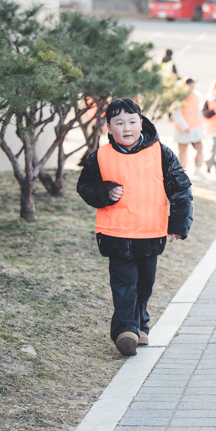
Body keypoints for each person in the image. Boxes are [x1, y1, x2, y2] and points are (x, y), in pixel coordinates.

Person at [77, 98, 194, 357]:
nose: (126, 128)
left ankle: (140, 324)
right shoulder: (100, 156)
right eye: (119, 123)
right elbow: (84, 187)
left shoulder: (160, 152)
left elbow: (181, 189)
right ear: (109, 128)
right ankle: (125, 332)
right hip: (115, 233)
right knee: (123, 284)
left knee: (144, 284)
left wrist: (178, 224)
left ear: (141, 123)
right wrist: (105, 192)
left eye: (131, 122)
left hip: (150, 233)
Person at [172, 77, 205, 176]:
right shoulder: (179, 98)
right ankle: (181, 171)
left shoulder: (196, 96)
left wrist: (201, 125)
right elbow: (176, 113)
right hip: (184, 129)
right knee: (182, 152)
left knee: (199, 149)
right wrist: (184, 126)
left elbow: (198, 112)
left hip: (195, 127)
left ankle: (198, 168)